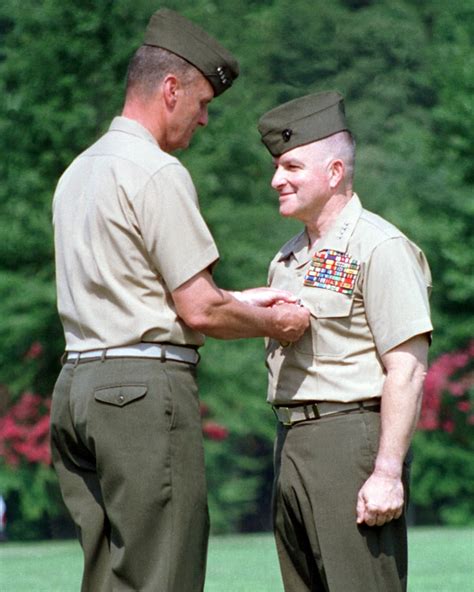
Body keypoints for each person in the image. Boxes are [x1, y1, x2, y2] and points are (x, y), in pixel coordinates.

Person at [50, 9, 309, 592]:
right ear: (171, 89)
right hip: (140, 396)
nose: (205, 120)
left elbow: (135, 290)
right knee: (164, 575)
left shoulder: (77, 172)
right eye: (203, 103)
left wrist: (237, 297)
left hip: (76, 392)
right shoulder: (156, 171)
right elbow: (200, 311)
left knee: (108, 579)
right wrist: (280, 322)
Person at [257, 91, 433, 592]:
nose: (276, 180)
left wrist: (386, 471)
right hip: (290, 441)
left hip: (351, 440)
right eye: (275, 166)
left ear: (334, 172)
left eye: (291, 165)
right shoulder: (285, 259)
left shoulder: (380, 246)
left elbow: (408, 367)